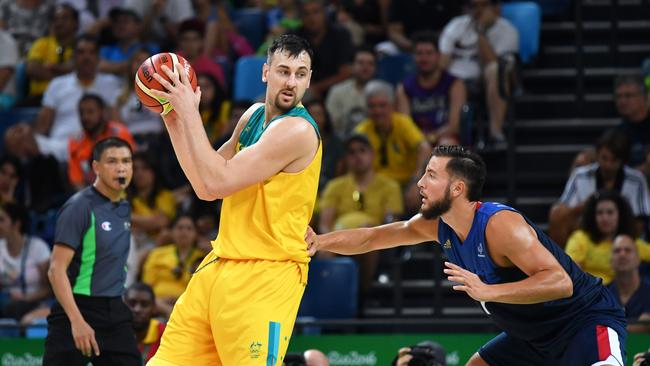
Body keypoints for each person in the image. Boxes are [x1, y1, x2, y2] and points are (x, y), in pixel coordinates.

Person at [306, 145, 627, 365]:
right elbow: (372, 238)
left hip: (583, 323)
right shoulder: (435, 226)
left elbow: (559, 282)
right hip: (531, 337)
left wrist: (488, 291)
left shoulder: (500, 225)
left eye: (431, 175)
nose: (419, 183)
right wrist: (319, 241)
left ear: (457, 188)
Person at [146, 34, 321, 365]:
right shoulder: (253, 116)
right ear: (265, 72)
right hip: (220, 262)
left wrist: (190, 113)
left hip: (266, 274)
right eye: (284, 71)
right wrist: (174, 119)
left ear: (309, 80)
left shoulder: (297, 132)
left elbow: (216, 181)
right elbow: (204, 184)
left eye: (301, 74)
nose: (291, 82)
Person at [44, 137, 139, 365]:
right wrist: (76, 322)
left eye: (126, 161)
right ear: (96, 167)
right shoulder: (79, 207)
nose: (121, 167)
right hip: (76, 309)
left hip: (115, 310)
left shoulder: (124, 206)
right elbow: (55, 271)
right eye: (112, 161)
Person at [438, 0, 518, 145]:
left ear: (496, 7)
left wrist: (480, 31)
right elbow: (442, 63)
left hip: (483, 80)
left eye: (484, 5)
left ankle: (495, 132)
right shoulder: (456, 25)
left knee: (496, 70)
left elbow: (493, 63)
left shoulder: (507, 31)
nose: (478, 10)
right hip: (454, 81)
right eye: (474, 6)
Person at [396, 31, 466, 146]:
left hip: (446, 138)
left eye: (429, 53)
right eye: (419, 53)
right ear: (413, 57)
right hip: (416, 141)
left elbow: (455, 125)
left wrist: (432, 137)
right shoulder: (404, 87)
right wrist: (421, 140)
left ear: (438, 55)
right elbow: (405, 125)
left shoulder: (454, 83)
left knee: (446, 146)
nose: (424, 58)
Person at [565, 190, 650, 284]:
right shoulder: (580, 238)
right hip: (589, 294)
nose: (605, 218)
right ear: (593, 216)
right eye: (600, 213)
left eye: (610, 212)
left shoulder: (629, 243)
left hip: (620, 295)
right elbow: (573, 275)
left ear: (620, 215)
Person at [141, 214, 205, 317]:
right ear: (172, 231)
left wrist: (177, 299)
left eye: (189, 228)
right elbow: (146, 287)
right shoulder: (157, 254)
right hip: (157, 303)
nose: (184, 232)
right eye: (180, 228)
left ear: (196, 234)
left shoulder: (203, 258)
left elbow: (201, 292)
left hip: (187, 306)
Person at [68, 93, 136, 191]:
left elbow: (131, 167)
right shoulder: (75, 140)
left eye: (90, 112)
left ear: (103, 112)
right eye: (81, 113)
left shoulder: (120, 133)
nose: (85, 117)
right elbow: (76, 179)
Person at [0, 201, 52, 321]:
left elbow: (48, 289)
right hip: (4, 303)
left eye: (2, 220)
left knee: (13, 309)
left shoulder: (38, 248)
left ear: (16, 224)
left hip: (33, 304)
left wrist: (25, 298)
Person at [607, 234, 650, 333]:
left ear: (638, 259)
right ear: (610, 261)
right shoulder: (602, 294)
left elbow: (645, 325)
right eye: (617, 251)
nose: (622, 254)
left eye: (628, 250)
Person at [123, 282, 166, 364]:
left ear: (154, 308)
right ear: (123, 304)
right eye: (132, 303)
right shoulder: (113, 332)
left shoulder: (165, 334)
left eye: (144, 304)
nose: (137, 309)